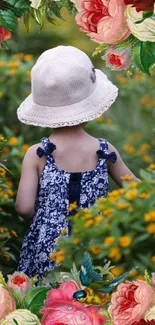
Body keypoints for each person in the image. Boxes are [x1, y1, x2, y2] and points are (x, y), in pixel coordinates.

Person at [16, 46, 139, 279]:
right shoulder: (104, 150)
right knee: (96, 306)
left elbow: (24, 207)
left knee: (47, 304)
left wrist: (50, 219)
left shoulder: (38, 154)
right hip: (96, 243)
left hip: (47, 249)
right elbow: (137, 189)